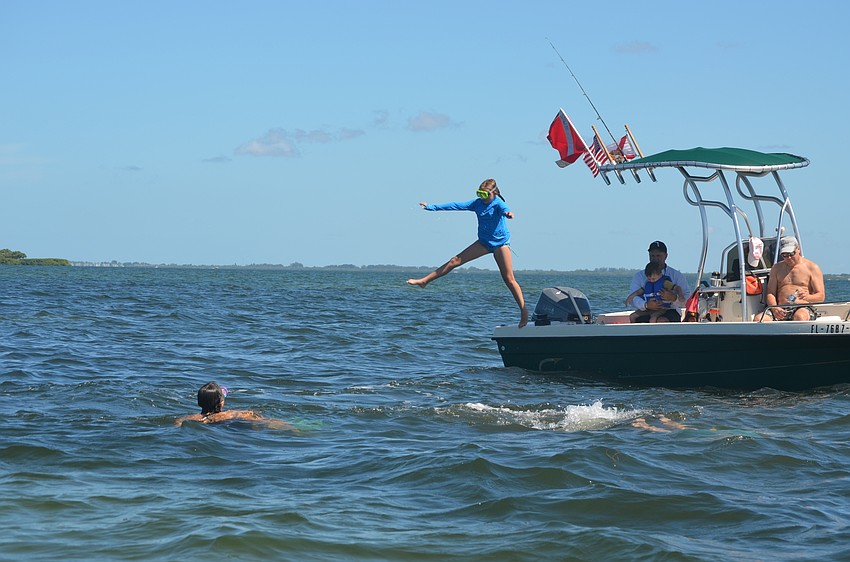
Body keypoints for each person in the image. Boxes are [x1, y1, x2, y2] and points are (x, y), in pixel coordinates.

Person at [406, 178, 528, 328]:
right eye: (479, 194)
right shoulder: (477, 204)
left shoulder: (498, 203)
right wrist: (431, 207)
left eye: (484, 194)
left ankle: (524, 312)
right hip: (483, 243)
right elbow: (455, 205)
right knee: (454, 261)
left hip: (500, 244)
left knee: (509, 279)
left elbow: (505, 210)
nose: (481, 198)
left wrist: (508, 214)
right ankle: (424, 281)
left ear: (493, 193)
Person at [753, 236, 825, 321]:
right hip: (780, 309)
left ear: (798, 249)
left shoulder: (812, 268)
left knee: (800, 317)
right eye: (785, 255)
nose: (789, 258)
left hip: (802, 307)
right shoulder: (776, 268)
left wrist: (807, 297)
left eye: (791, 254)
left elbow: (821, 296)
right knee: (759, 319)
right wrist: (774, 308)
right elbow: (770, 293)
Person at [175, 381, 294, 429]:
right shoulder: (232, 414)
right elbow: (265, 421)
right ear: (222, 403)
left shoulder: (187, 418)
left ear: (199, 402)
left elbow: (177, 424)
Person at [627, 240, 690, 323]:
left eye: (658, 255)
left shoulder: (676, 276)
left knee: (661, 320)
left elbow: (687, 299)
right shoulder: (640, 276)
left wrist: (674, 298)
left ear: (666, 256)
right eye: (652, 256)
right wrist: (645, 305)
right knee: (634, 318)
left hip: (669, 310)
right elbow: (634, 298)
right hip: (647, 309)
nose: (655, 259)